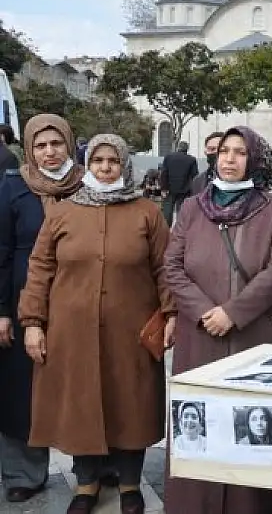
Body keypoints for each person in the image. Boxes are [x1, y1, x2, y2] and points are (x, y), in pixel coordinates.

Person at [19, 134, 175, 514]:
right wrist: (33, 321)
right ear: (86, 164)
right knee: (80, 403)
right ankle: (86, 484)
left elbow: (165, 267)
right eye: (97, 161)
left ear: (125, 165)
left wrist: (171, 314)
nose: (105, 169)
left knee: (131, 403)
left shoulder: (146, 212)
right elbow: (40, 268)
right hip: (71, 330)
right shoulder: (63, 212)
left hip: (132, 329)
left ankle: (129, 484)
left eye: (113, 162)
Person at [163, 126, 272, 514]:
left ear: (252, 159)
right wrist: (206, 312)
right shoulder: (191, 207)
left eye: (240, 152)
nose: (230, 159)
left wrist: (233, 313)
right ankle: (195, 502)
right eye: (224, 151)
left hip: (251, 336)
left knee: (250, 417)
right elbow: (172, 265)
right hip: (199, 333)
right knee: (198, 419)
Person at [0, 115, 83, 504]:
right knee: (20, 388)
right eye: (40, 146)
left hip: (78, 299)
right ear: (29, 150)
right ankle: (24, 471)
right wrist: (2, 310)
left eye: (56, 144)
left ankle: (94, 468)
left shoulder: (87, 187)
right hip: (23, 299)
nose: (49, 152)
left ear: (69, 144)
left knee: (81, 383)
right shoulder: (13, 187)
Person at [160, 140, 199, 226]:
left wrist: (163, 188)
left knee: (167, 210)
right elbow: (195, 176)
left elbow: (164, 173)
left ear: (178, 147)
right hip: (185, 189)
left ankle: (166, 229)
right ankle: (180, 229)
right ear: (187, 149)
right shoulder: (191, 159)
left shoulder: (168, 157)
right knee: (181, 211)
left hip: (169, 189)